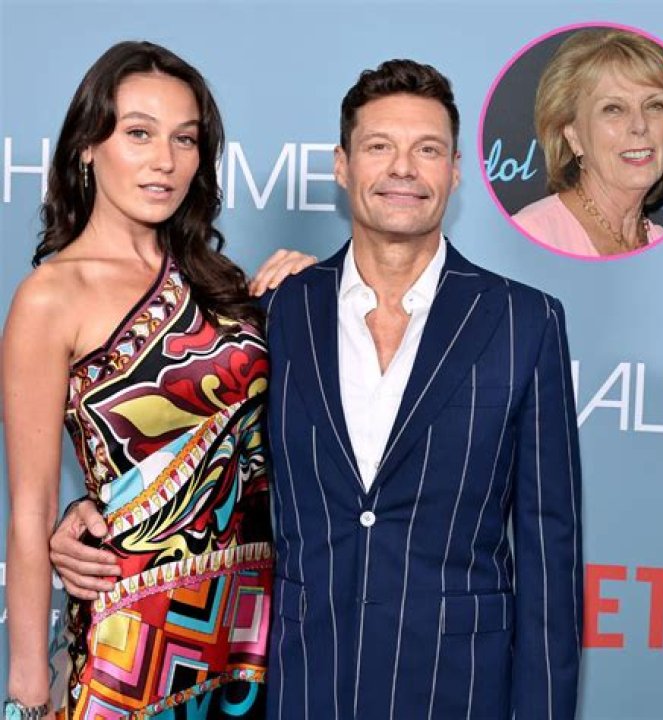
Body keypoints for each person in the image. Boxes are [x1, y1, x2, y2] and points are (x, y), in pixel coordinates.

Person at [51, 59, 583, 718]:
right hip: (301, 683)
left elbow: (549, 553)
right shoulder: (276, 314)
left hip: (460, 687)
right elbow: (202, 459)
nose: (403, 169)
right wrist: (95, 515)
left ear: (454, 171)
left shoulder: (523, 321)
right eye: (379, 147)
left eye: (427, 150)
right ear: (342, 166)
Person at [2, 40, 311, 720]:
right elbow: (30, 509)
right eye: (139, 133)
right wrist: (27, 687)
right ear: (88, 146)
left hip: (255, 630)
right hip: (131, 643)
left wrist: (325, 292)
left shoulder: (225, 285)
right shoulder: (50, 297)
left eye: (185, 139)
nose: (165, 160)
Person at [513, 27, 663, 258]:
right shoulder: (530, 236)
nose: (640, 125)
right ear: (573, 135)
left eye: (655, 105)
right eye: (613, 109)